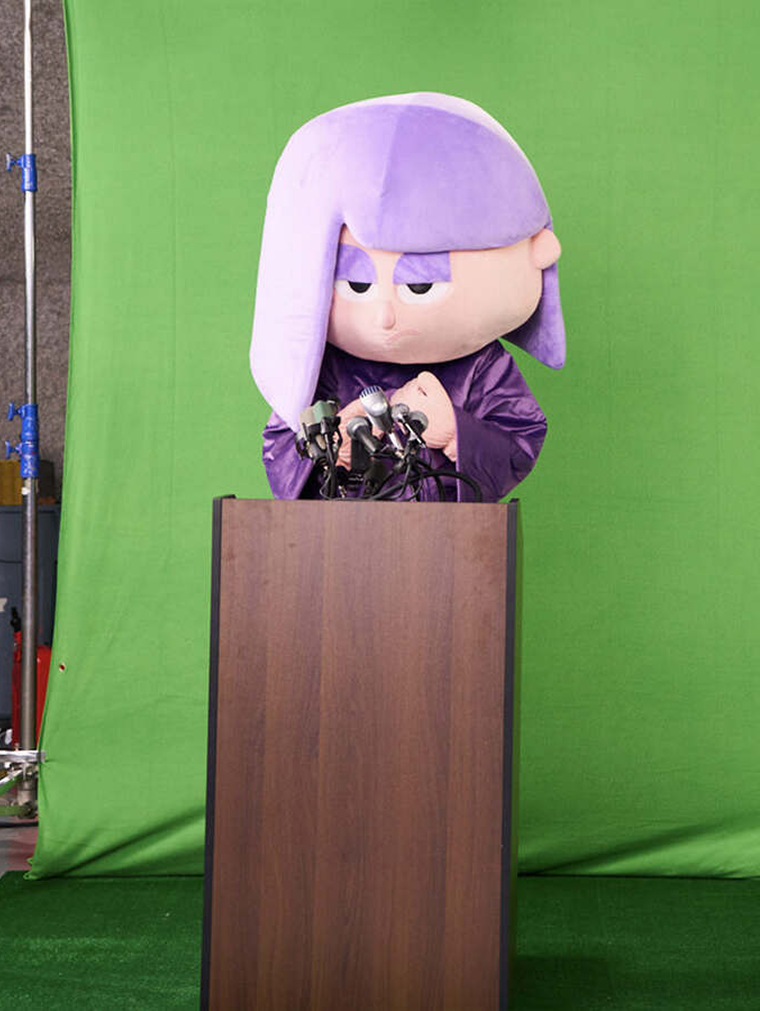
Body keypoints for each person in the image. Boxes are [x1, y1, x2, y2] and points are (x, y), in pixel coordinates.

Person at [250, 92, 565, 501]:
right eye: (358, 284)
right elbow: (280, 444)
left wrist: (455, 433)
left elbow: (522, 437)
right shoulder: (326, 367)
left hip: (447, 532)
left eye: (419, 286)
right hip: (338, 531)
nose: (385, 317)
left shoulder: (481, 366)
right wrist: (328, 451)